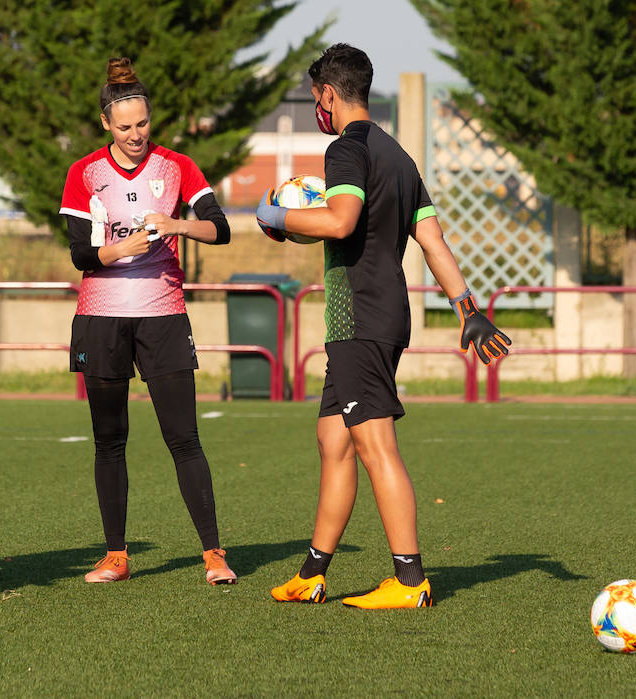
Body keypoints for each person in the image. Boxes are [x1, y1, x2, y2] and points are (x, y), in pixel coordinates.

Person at [256, 43, 511, 609]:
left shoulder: (347, 151)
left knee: (375, 446)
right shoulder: (398, 155)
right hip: (384, 313)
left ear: (328, 93)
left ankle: (410, 578)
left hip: (361, 317)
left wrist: (275, 217)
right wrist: (468, 310)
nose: (316, 108)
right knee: (334, 442)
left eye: (316, 97)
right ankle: (314, 572)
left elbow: (341, 221)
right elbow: (432, 241)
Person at [58, 58, 236, 585]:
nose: (136, 135)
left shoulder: (177, 166)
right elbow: (80, 255)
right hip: (102, 318)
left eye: (143, 124)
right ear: (106, 125)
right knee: (109, 440)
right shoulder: (84, 172)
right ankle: (116, 555)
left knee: (184, 438)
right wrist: (121, 248)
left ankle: (214, 554)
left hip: (162, 315)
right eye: (125, 127)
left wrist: (176, 222)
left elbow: (220, 229)